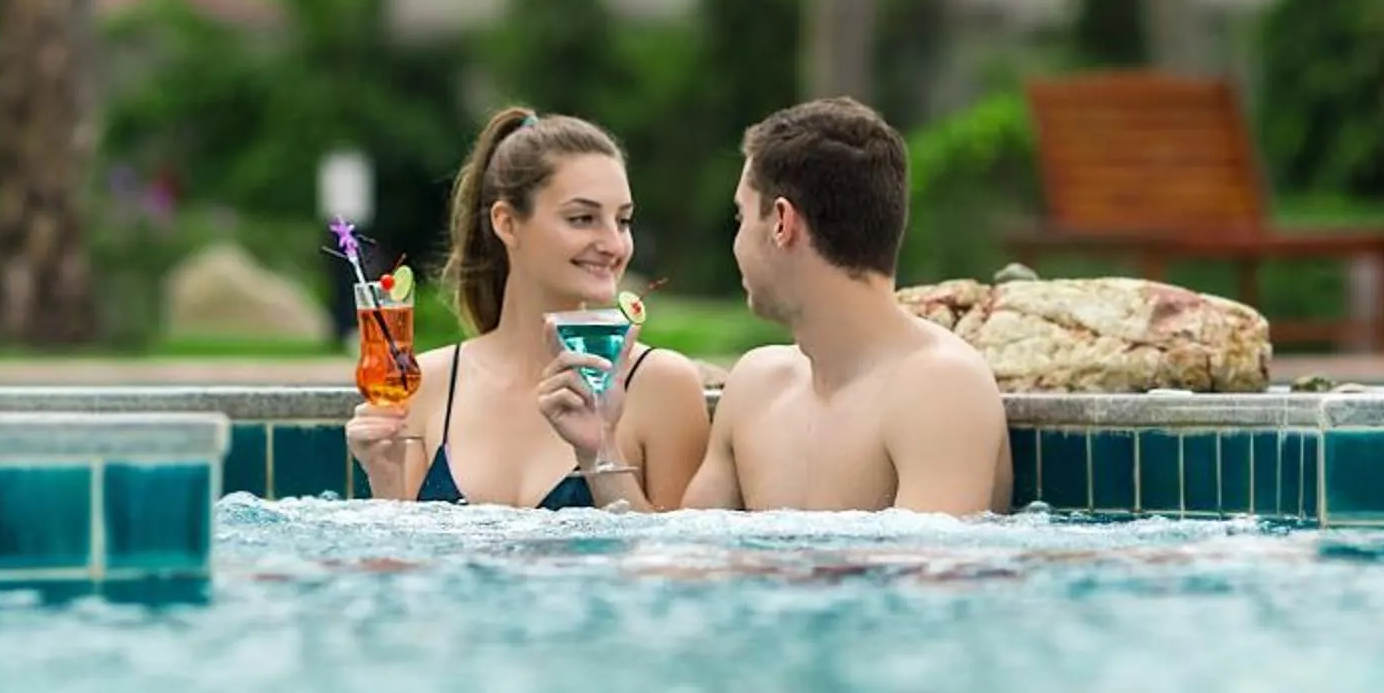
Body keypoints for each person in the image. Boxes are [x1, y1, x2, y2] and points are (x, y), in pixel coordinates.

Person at [346, 108, 712, 509]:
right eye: (582, 218)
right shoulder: (428, 384)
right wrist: (384, 475)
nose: (613, 243)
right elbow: (403, 548)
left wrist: (601, 452)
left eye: (623, 221)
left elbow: (678, 547)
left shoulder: (661, 385)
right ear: (507, 223)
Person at [664, 97, 1010, 515]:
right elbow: (685, 549)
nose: (737, 242)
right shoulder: (755, 386)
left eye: (741, 218)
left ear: (781, 222)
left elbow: (927, 558)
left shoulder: (939, 387)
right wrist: (604, 450)